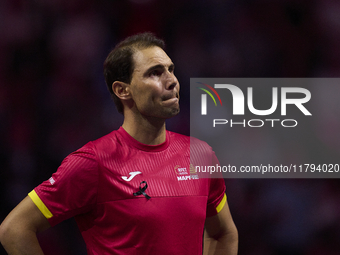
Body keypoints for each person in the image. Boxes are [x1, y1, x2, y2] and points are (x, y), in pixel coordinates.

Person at [0, 32, 238, 255]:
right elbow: (14, 229)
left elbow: (223, 234)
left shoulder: (201, 154)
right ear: (123, 90)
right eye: (155, 72)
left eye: (170, 69)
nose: (172, 80)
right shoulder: (94, 162)